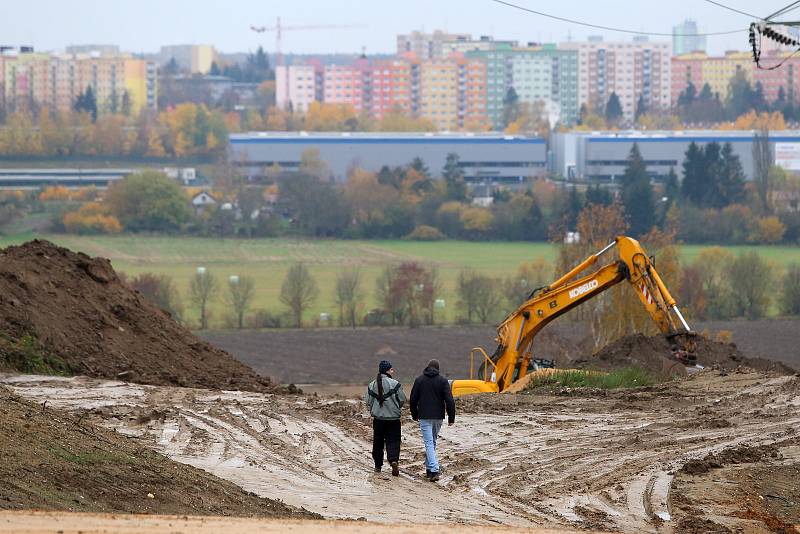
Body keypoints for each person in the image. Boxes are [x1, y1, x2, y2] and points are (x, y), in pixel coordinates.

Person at [409, 358, 455, 482]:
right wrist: (451, 418)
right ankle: (430, 469)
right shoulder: (443, 381)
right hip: (438, 417)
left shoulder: (419, 380)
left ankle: (434, 470)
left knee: (430, 443)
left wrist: (414, 414)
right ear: (438, 369)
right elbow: (450, 400)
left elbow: (413, 399)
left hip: (424, 416)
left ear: (427, 367)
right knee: (432, 442)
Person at [364, 360, 406, 476]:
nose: (393, 371)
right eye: (392, 369)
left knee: (378, 442)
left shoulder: (372, 384)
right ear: (388, 370)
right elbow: (402, 399)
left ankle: (378, 466)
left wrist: (376, 409)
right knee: (393, 441)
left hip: (378, 419)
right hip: (393, 419)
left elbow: (368, 401)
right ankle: (393, 460)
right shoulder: (395, 383)